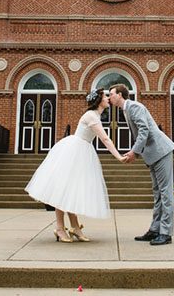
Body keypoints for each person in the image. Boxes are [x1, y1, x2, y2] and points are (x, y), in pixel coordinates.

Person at [25, 88, 126, 243]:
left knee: (72, 190)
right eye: (105, 96)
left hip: (83, 151)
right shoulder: (91, 115)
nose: (108, 98)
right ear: (98, 101)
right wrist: (119, 156)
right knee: (64, 189)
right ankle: (59, 228)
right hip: (75, 151)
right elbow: (105, 139)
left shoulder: (95, 115)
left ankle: (75, 227)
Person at [109, 83, 174, 246]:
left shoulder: (134, 106)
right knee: (157, 192)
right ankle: (155, 229)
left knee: (165, 192)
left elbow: (144, 130)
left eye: (111, 94)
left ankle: (166, 233)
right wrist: (137, 151)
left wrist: (134, 152)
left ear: (120, 95)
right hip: (152, 154)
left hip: (161, 151)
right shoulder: (125, 110)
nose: (109, 97)